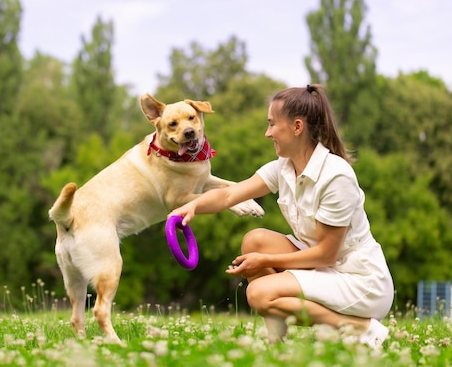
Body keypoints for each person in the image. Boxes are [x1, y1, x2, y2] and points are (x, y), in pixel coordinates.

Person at [168, 84, 394, 348]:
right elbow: (230, 195)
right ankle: (277, 345)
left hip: (358, 280)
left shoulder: (336, 176)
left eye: (272, 124)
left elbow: (326, 255)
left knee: (259, 294)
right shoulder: (284, 167)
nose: (267, 133)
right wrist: (192, 207)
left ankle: (363, 329)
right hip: (323, 267)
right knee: (255, 240)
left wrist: (265, 261)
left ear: (297, 127)